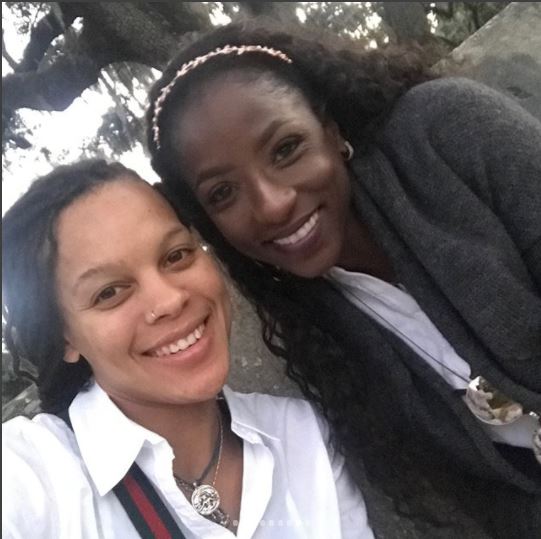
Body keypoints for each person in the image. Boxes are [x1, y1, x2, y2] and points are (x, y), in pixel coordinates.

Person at [144, 21, 541, 537]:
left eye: (285, 149)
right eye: (223, 193)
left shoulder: (446, 130)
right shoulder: (313, 327)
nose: (272, 204)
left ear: (330, 131)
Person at [1, 160, 372, 539]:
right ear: (65, 338)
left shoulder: (300, 434)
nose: (170, 300)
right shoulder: (33, 479)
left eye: (176, 255)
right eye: (109, 292)